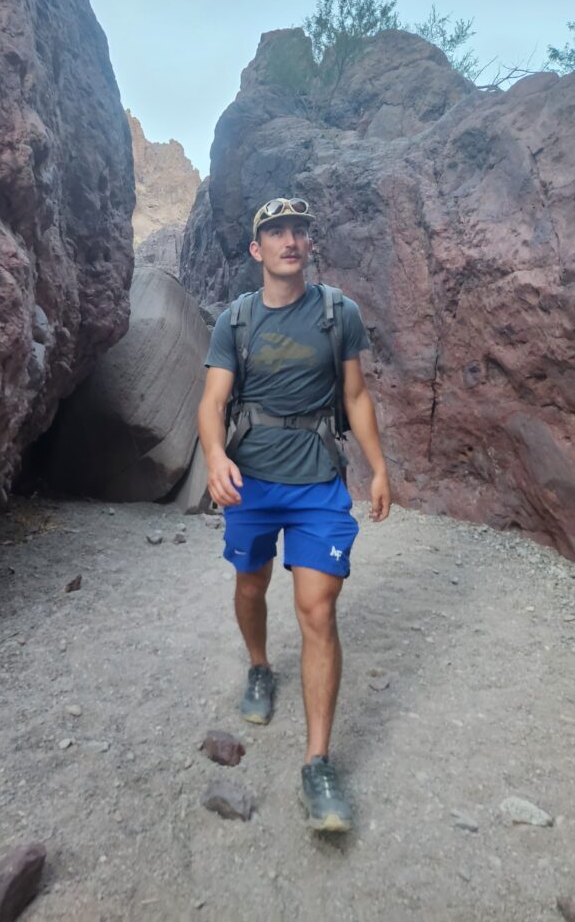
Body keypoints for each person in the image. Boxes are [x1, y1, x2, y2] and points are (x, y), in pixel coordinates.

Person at [197, 196, 391, 833]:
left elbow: (356, 395)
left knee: (317, 607)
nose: (289, 240)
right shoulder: (236, 319)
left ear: (309, 245)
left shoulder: (339, 314)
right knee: (251, 582)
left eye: (299, 231)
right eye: (276, 232)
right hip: (251, 482)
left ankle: (318, 763)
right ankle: (259, 666)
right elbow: (212, 399)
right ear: (257, 249)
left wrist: (379, 467)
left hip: (318, 484)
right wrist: (216, 455)